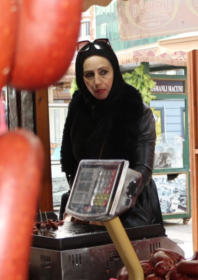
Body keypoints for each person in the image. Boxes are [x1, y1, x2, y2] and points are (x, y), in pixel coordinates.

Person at [60, 39, 162, 228]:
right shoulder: (78, 108)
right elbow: (71, 163)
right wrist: (77, 205)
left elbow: (143, 170)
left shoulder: (137, 110)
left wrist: (106, 209)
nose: (97, 81)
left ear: (114, 70)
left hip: (129, 212)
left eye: (103, 72)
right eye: (89, 75)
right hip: (83, 214)